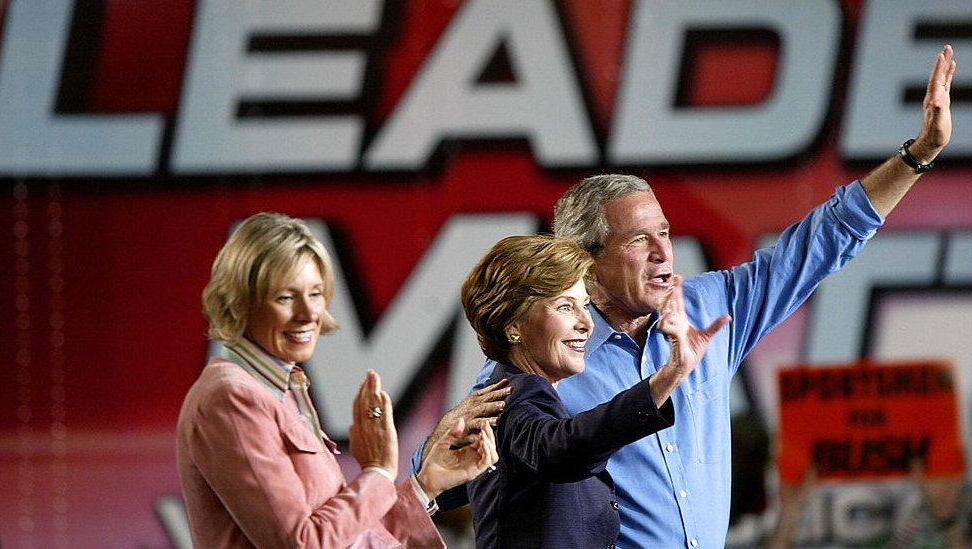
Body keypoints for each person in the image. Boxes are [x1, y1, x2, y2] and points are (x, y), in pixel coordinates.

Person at [416, 45, 957, 547]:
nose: (663, 253)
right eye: (637, 240)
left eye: (666, 234)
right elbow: (450, 471)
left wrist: (916, 157)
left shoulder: (708, 309)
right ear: (586, 258)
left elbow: (823, 241)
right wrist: (431, 462)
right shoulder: (548, 361)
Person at [176, 212, 499, 548]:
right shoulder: (231, 397)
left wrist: (426, 484)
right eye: (285, 297)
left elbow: (350, 538)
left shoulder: (281, 391)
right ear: (240, 301)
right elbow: (302, 543)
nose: (308, 313)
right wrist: (378, 473)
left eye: (315, 294)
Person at [459, 235, 728, 547]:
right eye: (564, 306)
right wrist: (670, 374)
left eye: (584, 304)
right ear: (513, 326)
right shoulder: (513, 395)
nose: (586, 323)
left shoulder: (521, 392)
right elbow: (559, 448)